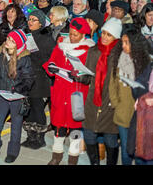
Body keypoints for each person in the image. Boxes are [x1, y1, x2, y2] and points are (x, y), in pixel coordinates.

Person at [43, 17, 95, 165]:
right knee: (58, 126)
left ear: (83, 35)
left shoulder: (89, 51)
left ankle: (73, 158)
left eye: (75, 35)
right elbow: (52, 62)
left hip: (78, 95)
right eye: (70, 33)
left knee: (76, 129)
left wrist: (81, 75)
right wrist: (52, 67)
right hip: (60, 92)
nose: (72, 37)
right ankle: (56, 156)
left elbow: (93, 74)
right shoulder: (61, 46)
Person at [0, 29, 33, 163]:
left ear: (18, 44)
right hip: (1, 95)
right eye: (8, 39)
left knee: (16, 127)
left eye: (12, 41)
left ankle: (12, 152)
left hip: (17, 97)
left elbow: (29, 80)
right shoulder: (0, 55)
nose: (8, 42)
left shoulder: (24, 59)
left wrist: (18, 89)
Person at [81, 17, 123, 165]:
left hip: (110, 103)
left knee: (110, 139)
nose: (104, 37)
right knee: (89, 135)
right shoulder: (93, 52)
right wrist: (79, 75)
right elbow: (87, 77)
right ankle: (95, 162)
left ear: (116, 37)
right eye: (103, 33)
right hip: (92, 102)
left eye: (109, 35)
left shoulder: (120, 56)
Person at [108, 25, 151, 165]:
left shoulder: (145, 63)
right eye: (123, 42)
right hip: (122, 110)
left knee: (139, 150)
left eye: (127, 42)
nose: (124, 46)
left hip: (140, 113)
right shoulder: (118, 58)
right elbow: (112, 84)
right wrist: (115, 102)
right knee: (126, 150)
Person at [22, 10, 56, 149]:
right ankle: (31, 136)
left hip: (40, 78)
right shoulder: (27, 34)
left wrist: (32, 53)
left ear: (41, 23)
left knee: (37, 108)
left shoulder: (46, 38)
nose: (30, 22)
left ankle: (40, 138)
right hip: (27, 76)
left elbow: (49, 59)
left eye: (34, 20)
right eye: (29, 19)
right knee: (29, 108)